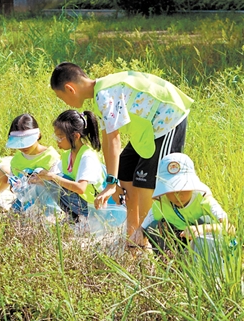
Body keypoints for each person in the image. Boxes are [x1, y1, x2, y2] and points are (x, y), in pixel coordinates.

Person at [50, 62, 193, 240]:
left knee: (148, 183)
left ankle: (149, 241)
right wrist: (113, 182)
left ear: (69, 89)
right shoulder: (99, 96)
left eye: (61, 97)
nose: (64, 102)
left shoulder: (104, 94)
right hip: (147, 128)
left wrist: (110, 184)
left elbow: (114, 140)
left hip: (168, 119)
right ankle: (132, 238)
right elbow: (107, 141)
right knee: (125, 170)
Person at [135, 153, 230, 253]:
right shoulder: (162, 203)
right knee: (152, 226)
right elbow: (143, 227)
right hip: (175, 239)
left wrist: (203, 229)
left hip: (199, 242)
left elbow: (228, 227)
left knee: (204, 220)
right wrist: (138, 234)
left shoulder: (203, 199)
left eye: (183, 188)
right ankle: (166, 260)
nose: (177, 195)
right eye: (171, 190)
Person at [33, 110, 106, 222]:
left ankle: (80, 218)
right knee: (41, 174)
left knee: (54, 178)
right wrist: (42, 179)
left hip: (91, 206)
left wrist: (52, 178)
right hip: (79, 202)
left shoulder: (87, 156)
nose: (57, 142)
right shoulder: (68, 154)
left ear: (76, 136)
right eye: (56, 137)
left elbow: (81, 188)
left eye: (60, 137)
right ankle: (73, 216)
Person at [0, 113, 61, 213]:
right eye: (19, 142)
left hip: (47, 206)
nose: (23, 147)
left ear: (38, 135)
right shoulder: (16, 160)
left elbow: (58, 188)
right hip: (25, 204)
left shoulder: (51, 157)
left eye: (27, 142)